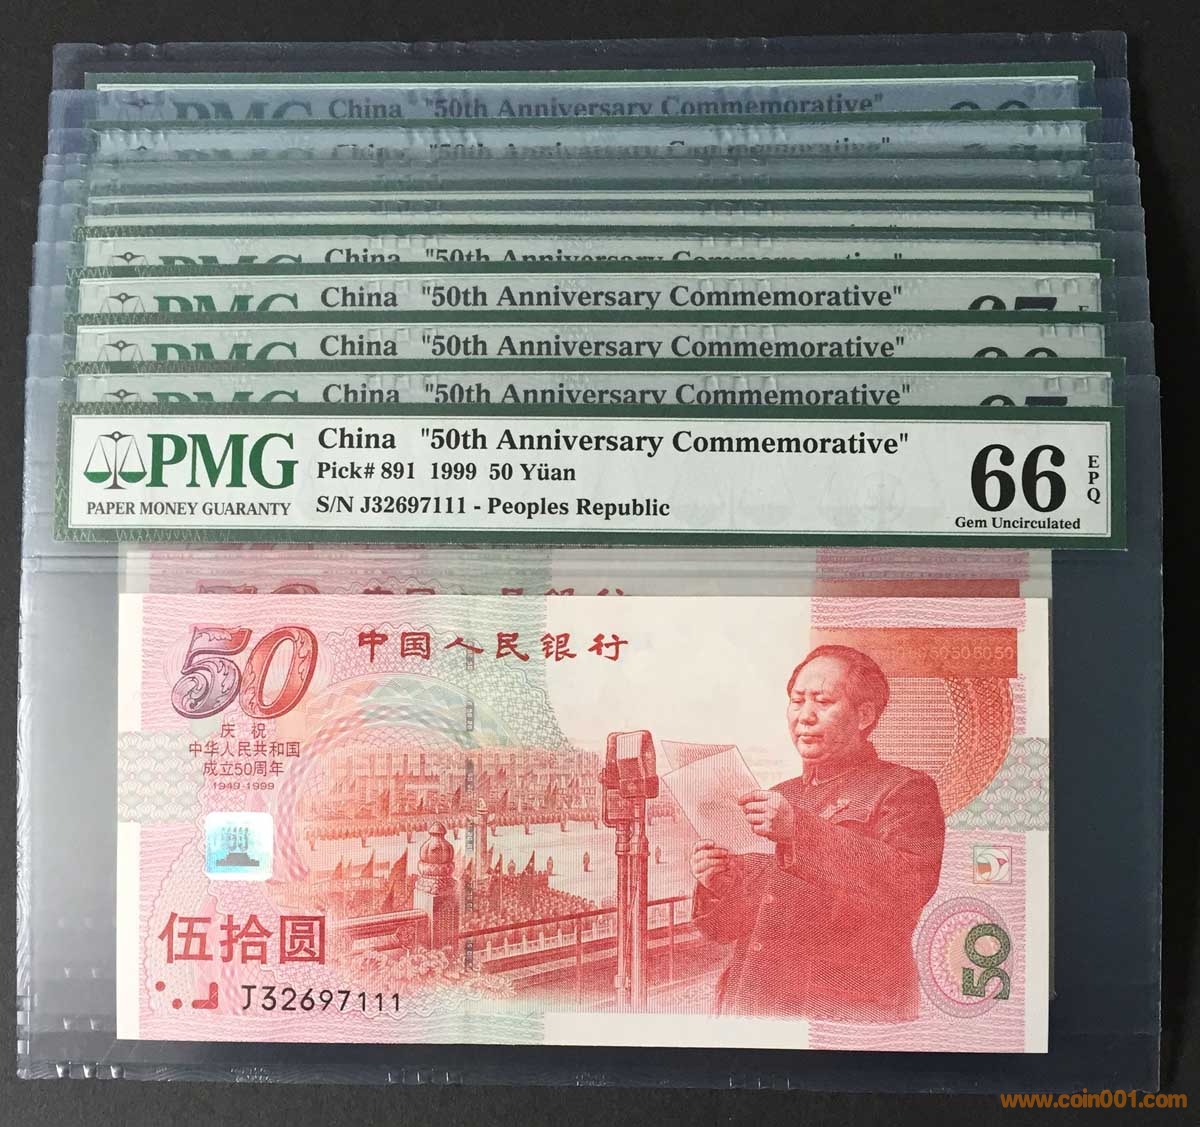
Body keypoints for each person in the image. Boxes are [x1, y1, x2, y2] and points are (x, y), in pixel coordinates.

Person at [689, 645, 945, 1022]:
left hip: (841, 1012)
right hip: (753, 1005)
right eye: (797, 701)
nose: (805, 716)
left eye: (823, 702)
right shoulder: (782, 795)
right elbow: (727, 929)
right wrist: (716, 883)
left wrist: (799, 831)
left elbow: (909, 886)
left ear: (864, 715)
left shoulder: (904, 789)